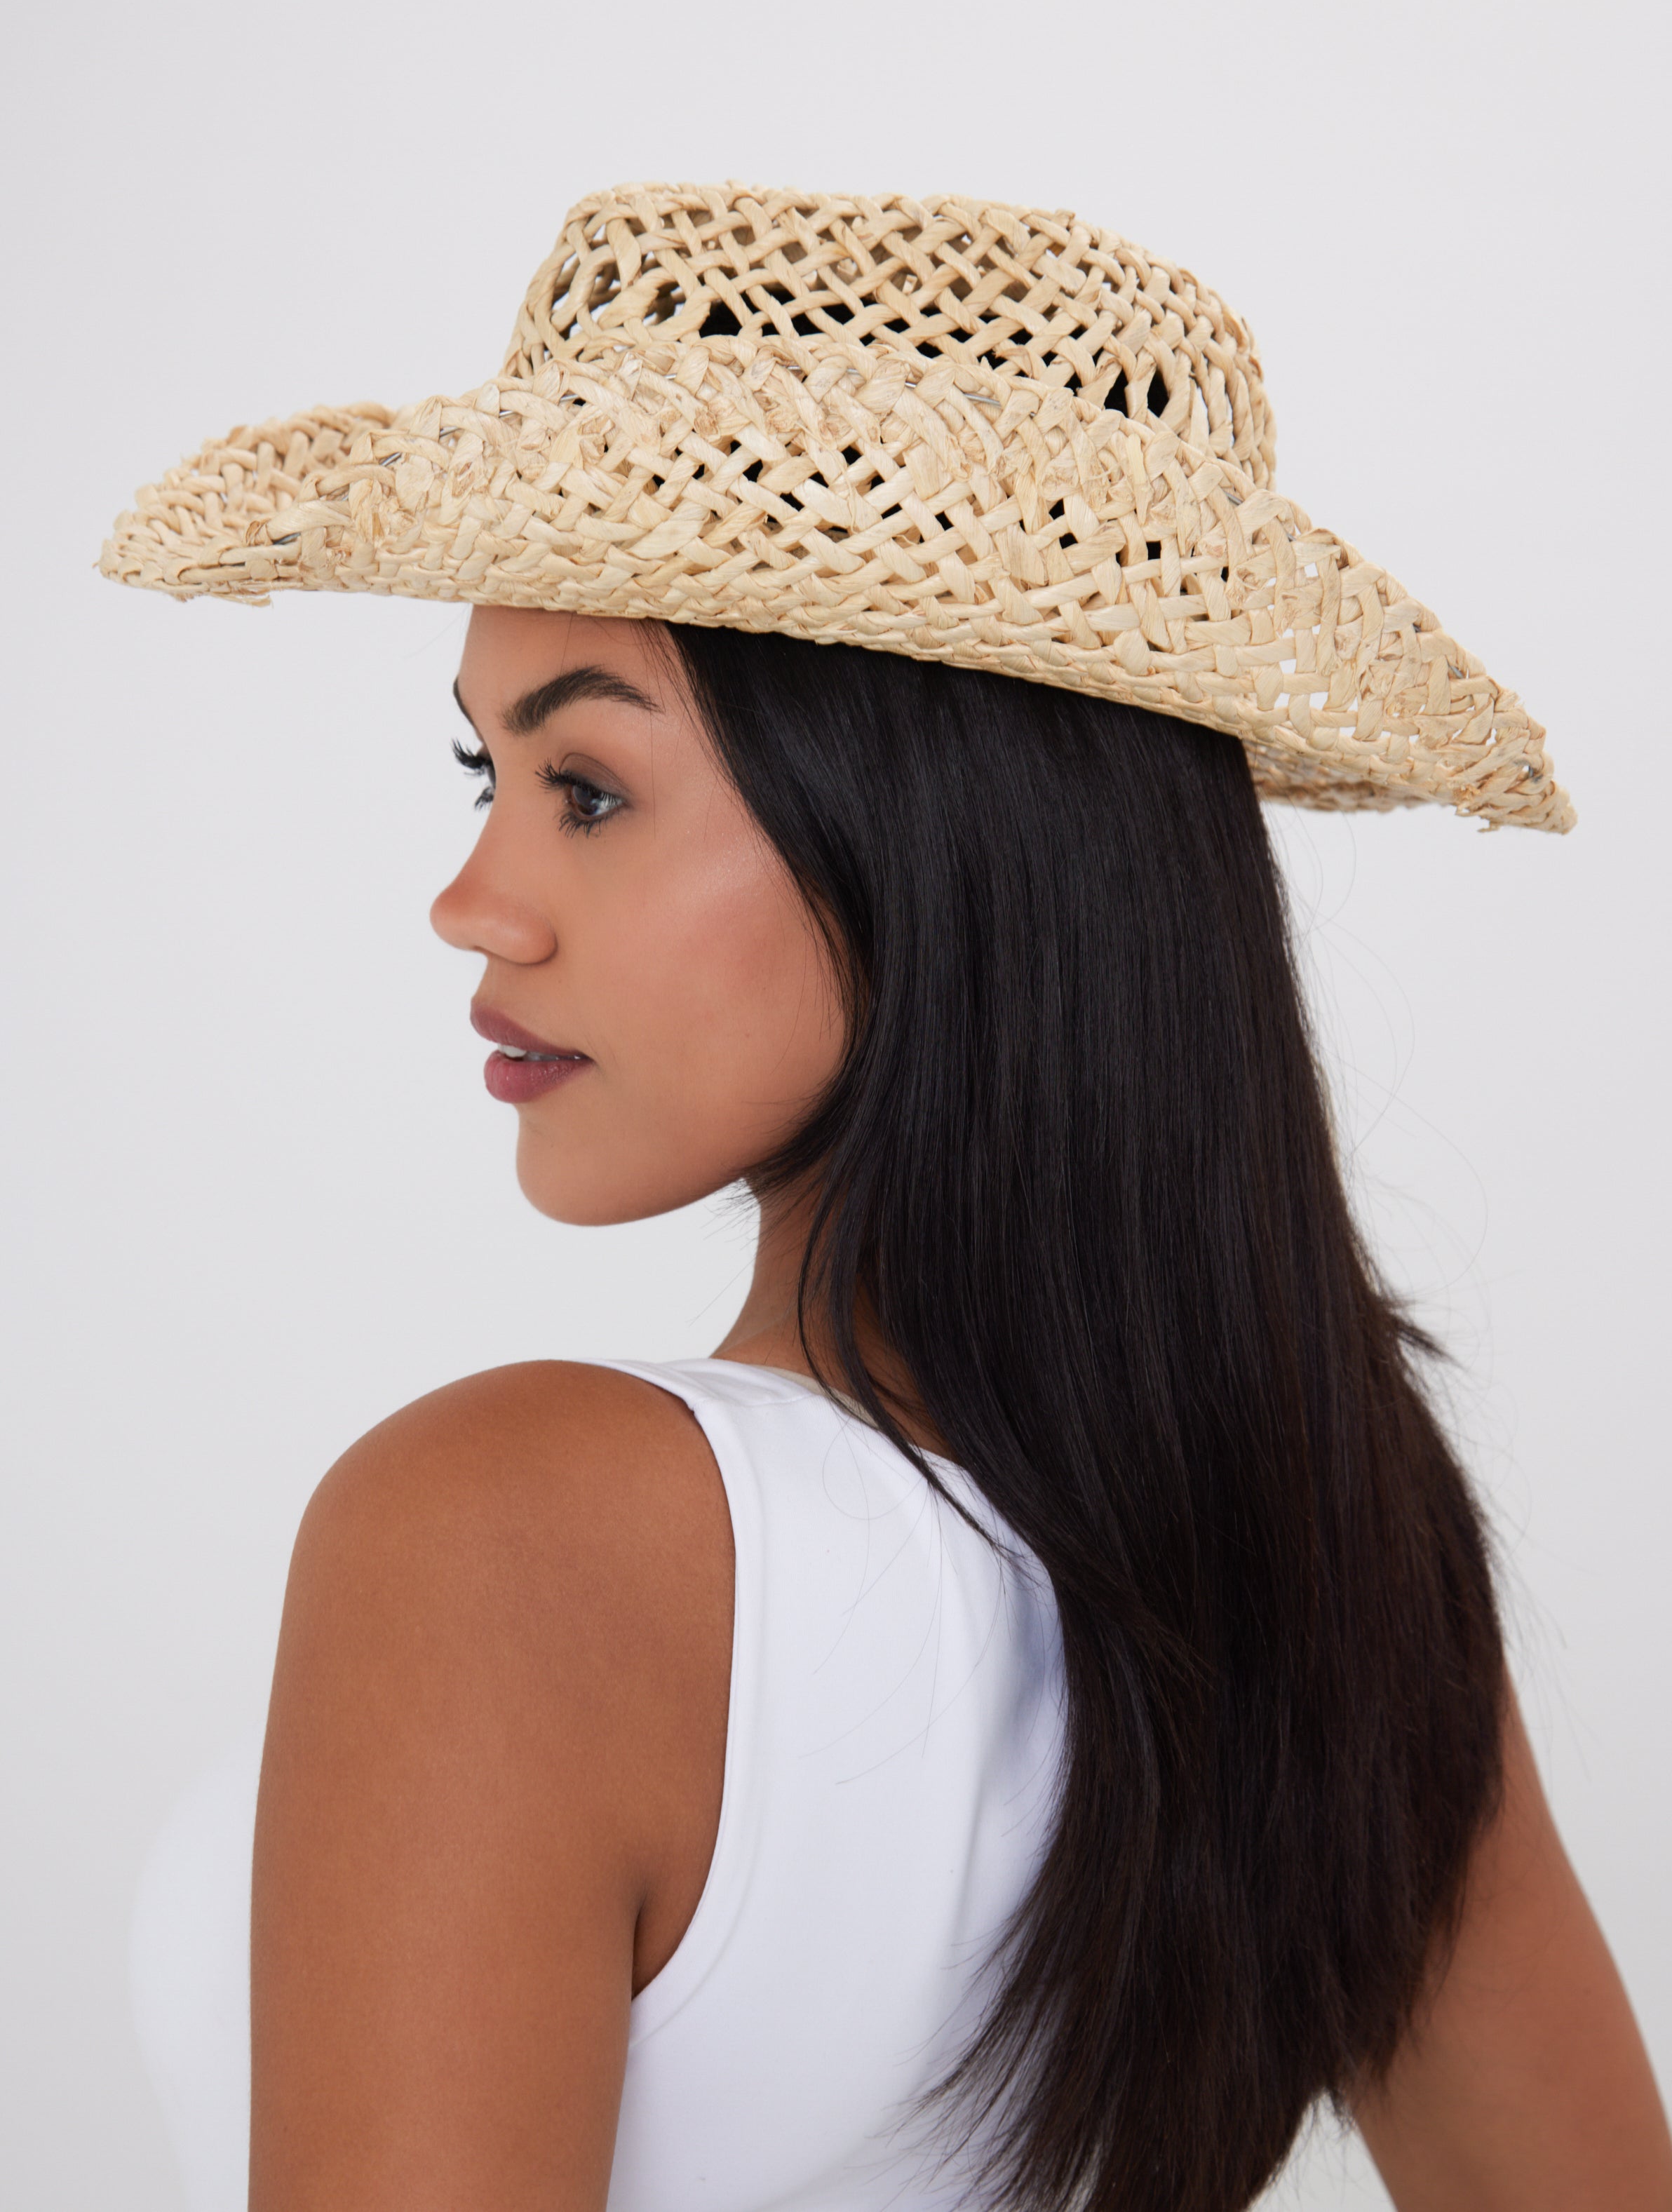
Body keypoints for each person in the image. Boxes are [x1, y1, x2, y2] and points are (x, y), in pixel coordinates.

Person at [109, 185, 1671, 2212]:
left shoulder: (507, 1531)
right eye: (480, 779)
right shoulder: (1339, 1581)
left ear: (941, 840)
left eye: (587, 789)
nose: (473, 900)